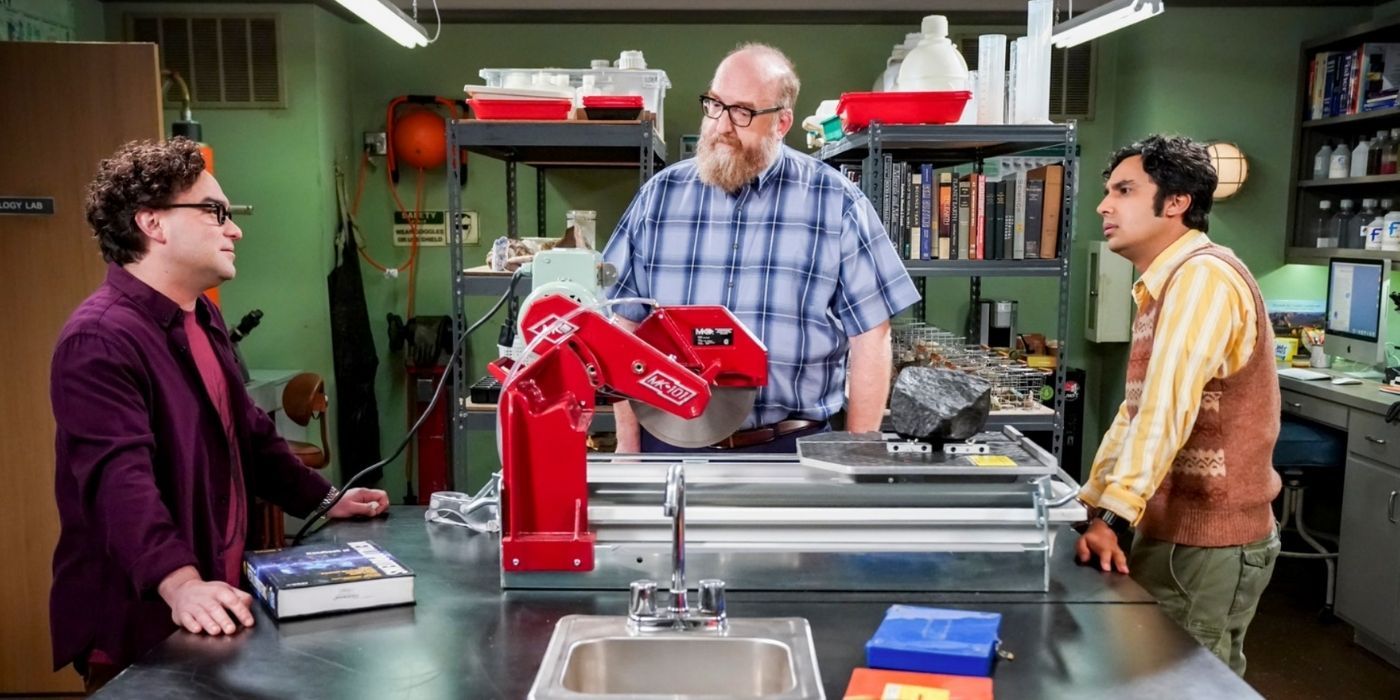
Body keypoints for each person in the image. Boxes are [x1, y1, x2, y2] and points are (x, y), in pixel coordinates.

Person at [49, 138, 389, 691]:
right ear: (153, 224)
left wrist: (324, 499)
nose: (234, 230)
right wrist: (180, 582)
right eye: (214, 212)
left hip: (214, 599)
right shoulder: (100, 339)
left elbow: (250, 433)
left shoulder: (199, 316)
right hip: (144, 619)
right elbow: (119, 481)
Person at [602, 43, 919, 453]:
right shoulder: (658, 198)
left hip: (790, 448)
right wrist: (629, 450)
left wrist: (858, 455)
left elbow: (871, 336)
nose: (721, 125)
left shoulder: (836, 202)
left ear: (782, 122)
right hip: (668, 444)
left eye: (742, 112)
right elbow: (621, 329)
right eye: (714, 105)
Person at [1075, 134, 1282, 676]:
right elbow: (1137, 413)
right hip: (1172, 531)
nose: (1104, 205)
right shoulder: (1163, 284)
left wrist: (1114, 516)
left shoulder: (1202, 278)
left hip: (1205, 541)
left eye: (1124, 190)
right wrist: (1092, 506)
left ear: (1177, 202)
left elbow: (1167, 409)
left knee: (1181, 686)